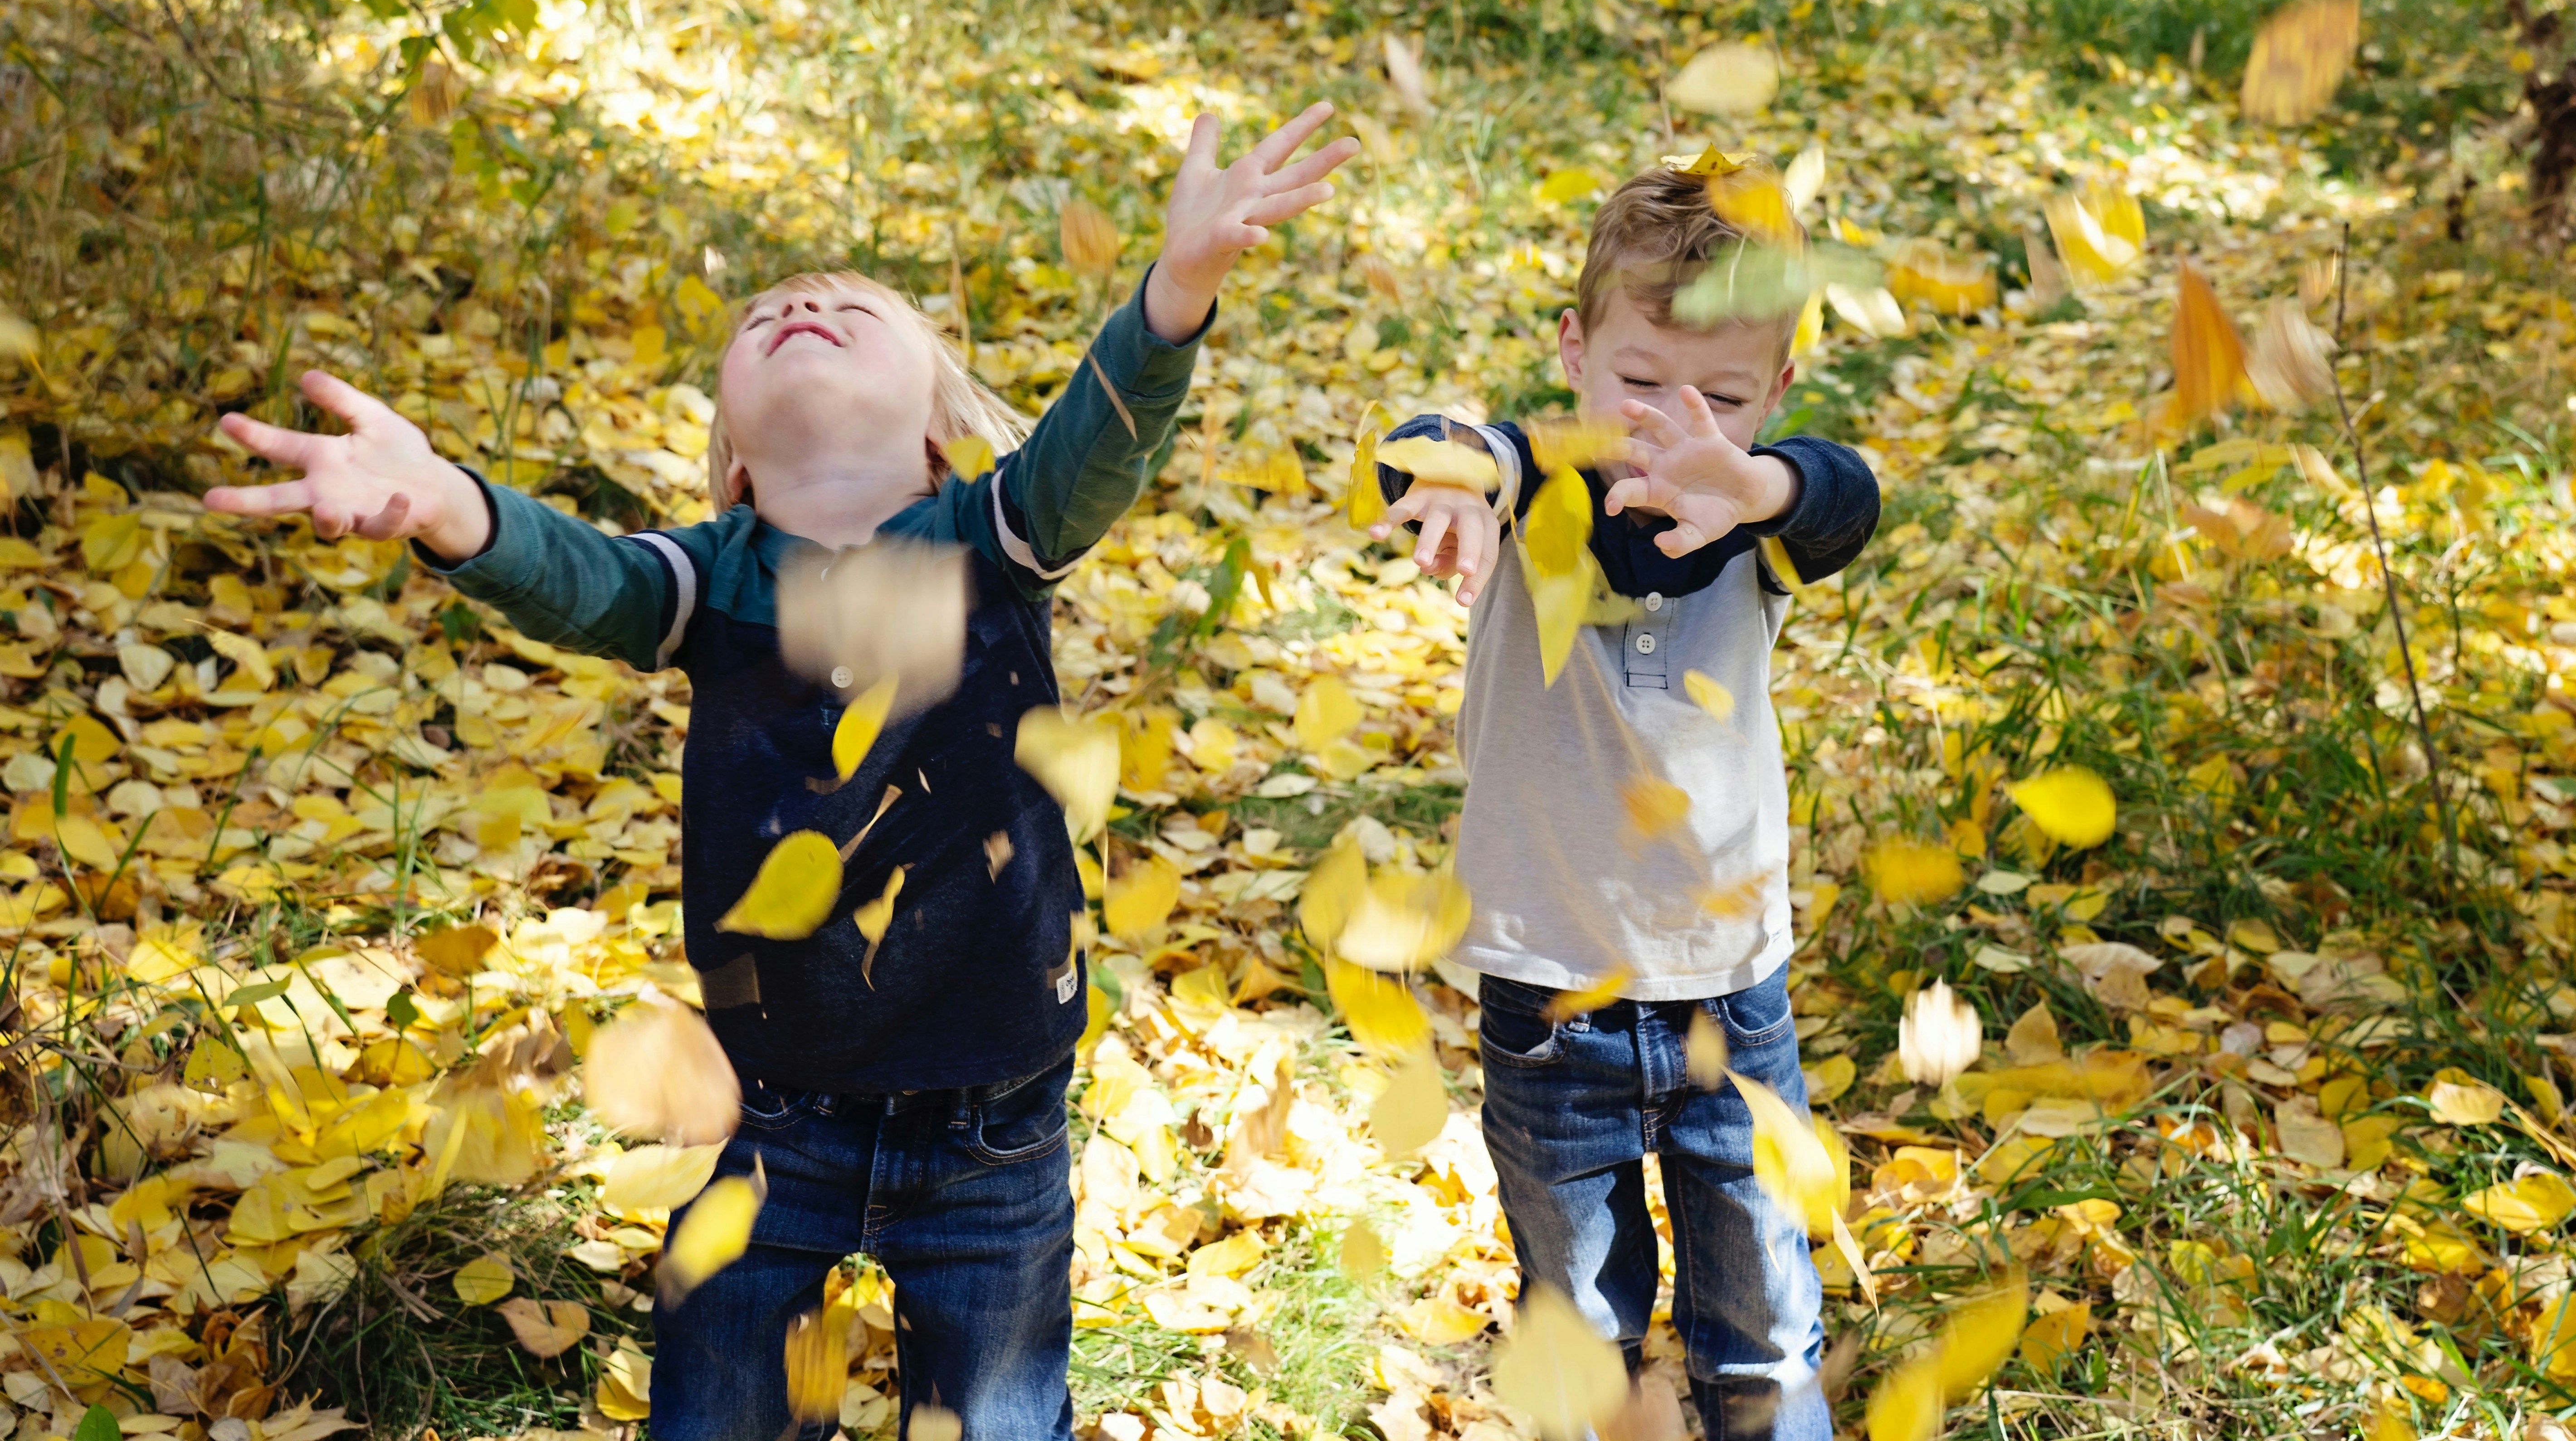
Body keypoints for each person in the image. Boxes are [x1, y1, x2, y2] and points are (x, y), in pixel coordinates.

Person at [202, 106, 1357, 1441]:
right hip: (771, 1117)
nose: (800, 304)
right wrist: (451, 506)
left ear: (934, 432)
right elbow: (580, 578)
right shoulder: (713, 583)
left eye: (848, 308)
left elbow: (1095, 451)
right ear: (737, 460)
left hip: (995, 1125)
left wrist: (1177, 291)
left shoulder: (988, 537)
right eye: (767, 317)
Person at [1369, 161, 1879, 1441]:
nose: (1673, 422)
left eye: (1721, 396)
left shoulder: (1761, 519)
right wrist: (1452, 479)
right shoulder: (1530, 488)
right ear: (1575, 351)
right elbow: (1430, 445)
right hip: (1552, 1003)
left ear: (1775, 396)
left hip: (1733, 1002)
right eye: (1641, 381)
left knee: (1764, 1343)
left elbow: (1845, 491)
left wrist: (1757, 484)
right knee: (1587, 1339)